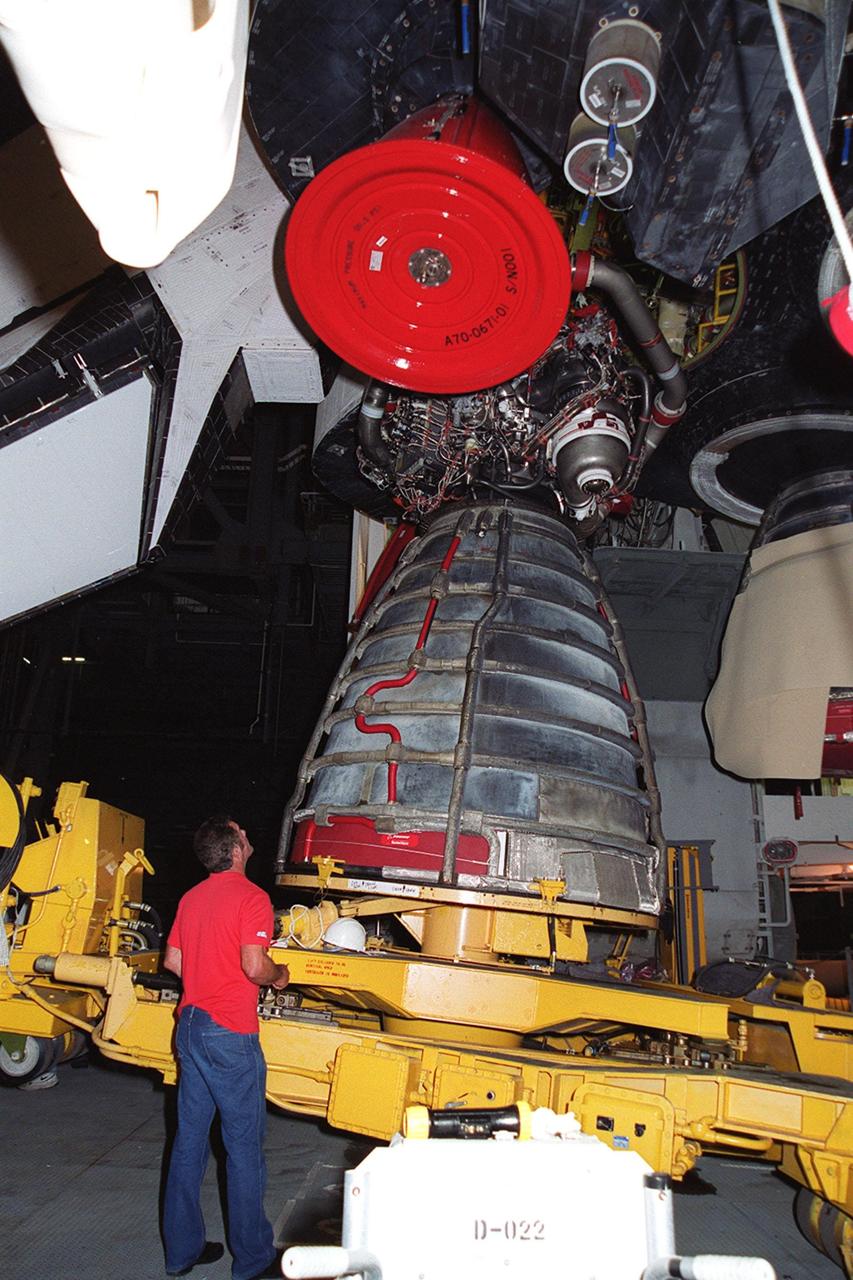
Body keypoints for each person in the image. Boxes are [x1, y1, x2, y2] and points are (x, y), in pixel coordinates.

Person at [162, 815, 289, 1280]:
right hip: (229, 1034)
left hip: (190, 1027)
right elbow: (255, 966)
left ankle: (182, 1251)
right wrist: (280, 976)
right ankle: (253, 1260)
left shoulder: (192, 897)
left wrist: (207, 975)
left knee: (189, 1143)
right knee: (243, 1148)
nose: (250, 840)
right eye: (245, 836)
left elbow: (174, 960)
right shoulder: (252, 898)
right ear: (236, 848)